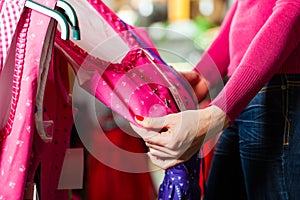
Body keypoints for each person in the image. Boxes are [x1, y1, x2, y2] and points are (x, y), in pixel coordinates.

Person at [131, 0, 300, 199]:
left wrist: (215, 114)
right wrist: (202, 77)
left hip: (278, 87)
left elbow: (293, 7)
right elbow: (243, 9)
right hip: (246, 87)